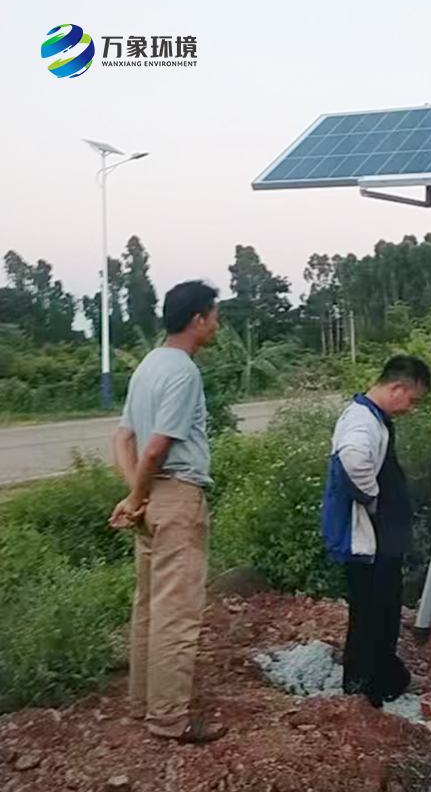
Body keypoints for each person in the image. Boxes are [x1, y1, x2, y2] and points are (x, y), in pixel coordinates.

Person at [110, 280, 227, 744]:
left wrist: (136, 496)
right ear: (198, 319)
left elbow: (124, 438)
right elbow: (156, 446)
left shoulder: (148, 366)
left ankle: (144, 703)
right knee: (176, 612)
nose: (217, 323)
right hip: (176, 496)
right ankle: (169, 718)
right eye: (214, 315)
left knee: (149, 606)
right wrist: (137, 495)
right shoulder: (182, 371)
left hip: (152, 498)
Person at [321, 355, 431, 707]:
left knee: (384, 611)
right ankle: (360, 692)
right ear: (396, 388)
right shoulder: (362, 421)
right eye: (412, 399)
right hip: (368, 539)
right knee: (370, 615)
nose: (411, 408)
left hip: (381, 539)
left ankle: (385, 679)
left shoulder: (373, 418)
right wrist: (373, 499)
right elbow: (353, 459)